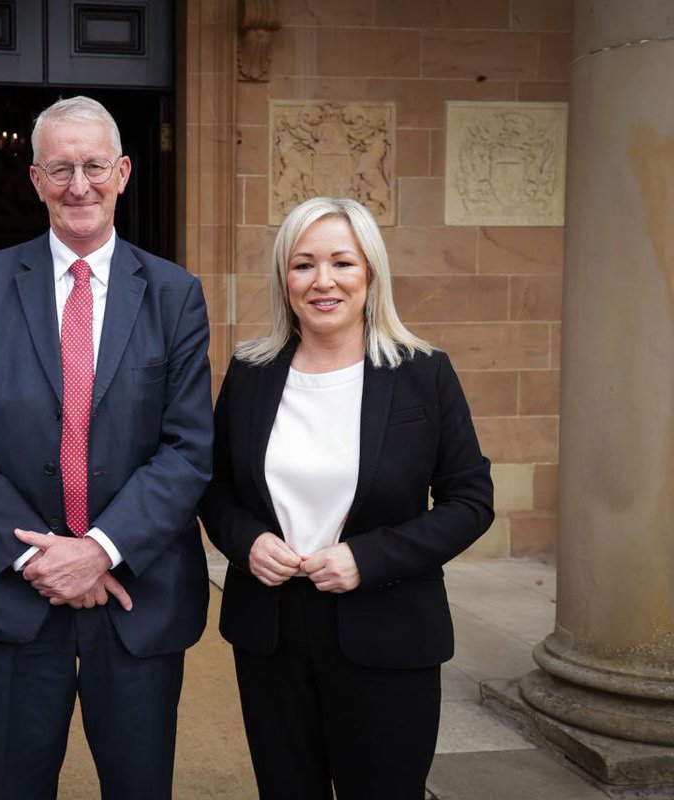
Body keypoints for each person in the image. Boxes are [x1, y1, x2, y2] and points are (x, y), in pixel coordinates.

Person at [0, 95, 213, 800]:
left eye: (92, 166)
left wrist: (98, 550)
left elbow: (188, 447)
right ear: (34, 178)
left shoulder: (176, 295)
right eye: (60, 168)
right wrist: (40, 556)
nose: (77, 185)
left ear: (122, 172)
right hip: (13, 595)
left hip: (135, 597)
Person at [199, 197, 494, 800]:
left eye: (342, 263)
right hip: (272, 634)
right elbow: (215, 485)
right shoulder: (252, 371)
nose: (323, 281)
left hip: (388, 631)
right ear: (285, 279)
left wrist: (370, 558)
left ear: (371, 274)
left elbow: (471, 500)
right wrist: (247, 541)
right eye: (303, 265)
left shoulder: (423, 373)